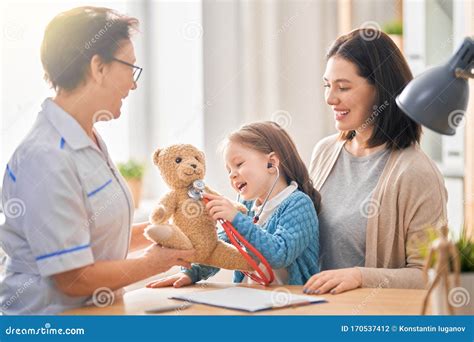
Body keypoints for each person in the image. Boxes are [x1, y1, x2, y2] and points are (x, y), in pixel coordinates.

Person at [0, 6, 193, 315]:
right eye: (130, 67)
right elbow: (72, 277)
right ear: (98, 67)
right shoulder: (46, 156)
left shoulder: (87, 139)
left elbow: (97, 237)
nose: (133, 83)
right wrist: (156, 262)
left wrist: (176, 228)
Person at [304, 28, 448, 295]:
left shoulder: (417, 172)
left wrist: (361, 276)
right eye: (327, 85)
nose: (330, 98)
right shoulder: (325, 152)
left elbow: (430, 276)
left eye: (343, 87)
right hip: (314, 313)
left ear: (380, 90)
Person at [147, 121, 320, 288]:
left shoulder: (298, 204)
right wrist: (190, 273)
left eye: (238, 164)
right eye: (228, 170)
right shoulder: (246, 205)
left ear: (271, 163)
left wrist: (236, 218)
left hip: (292, 303)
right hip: (250, 300)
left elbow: (279, 254)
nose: (232, 175)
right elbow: (218, 247)